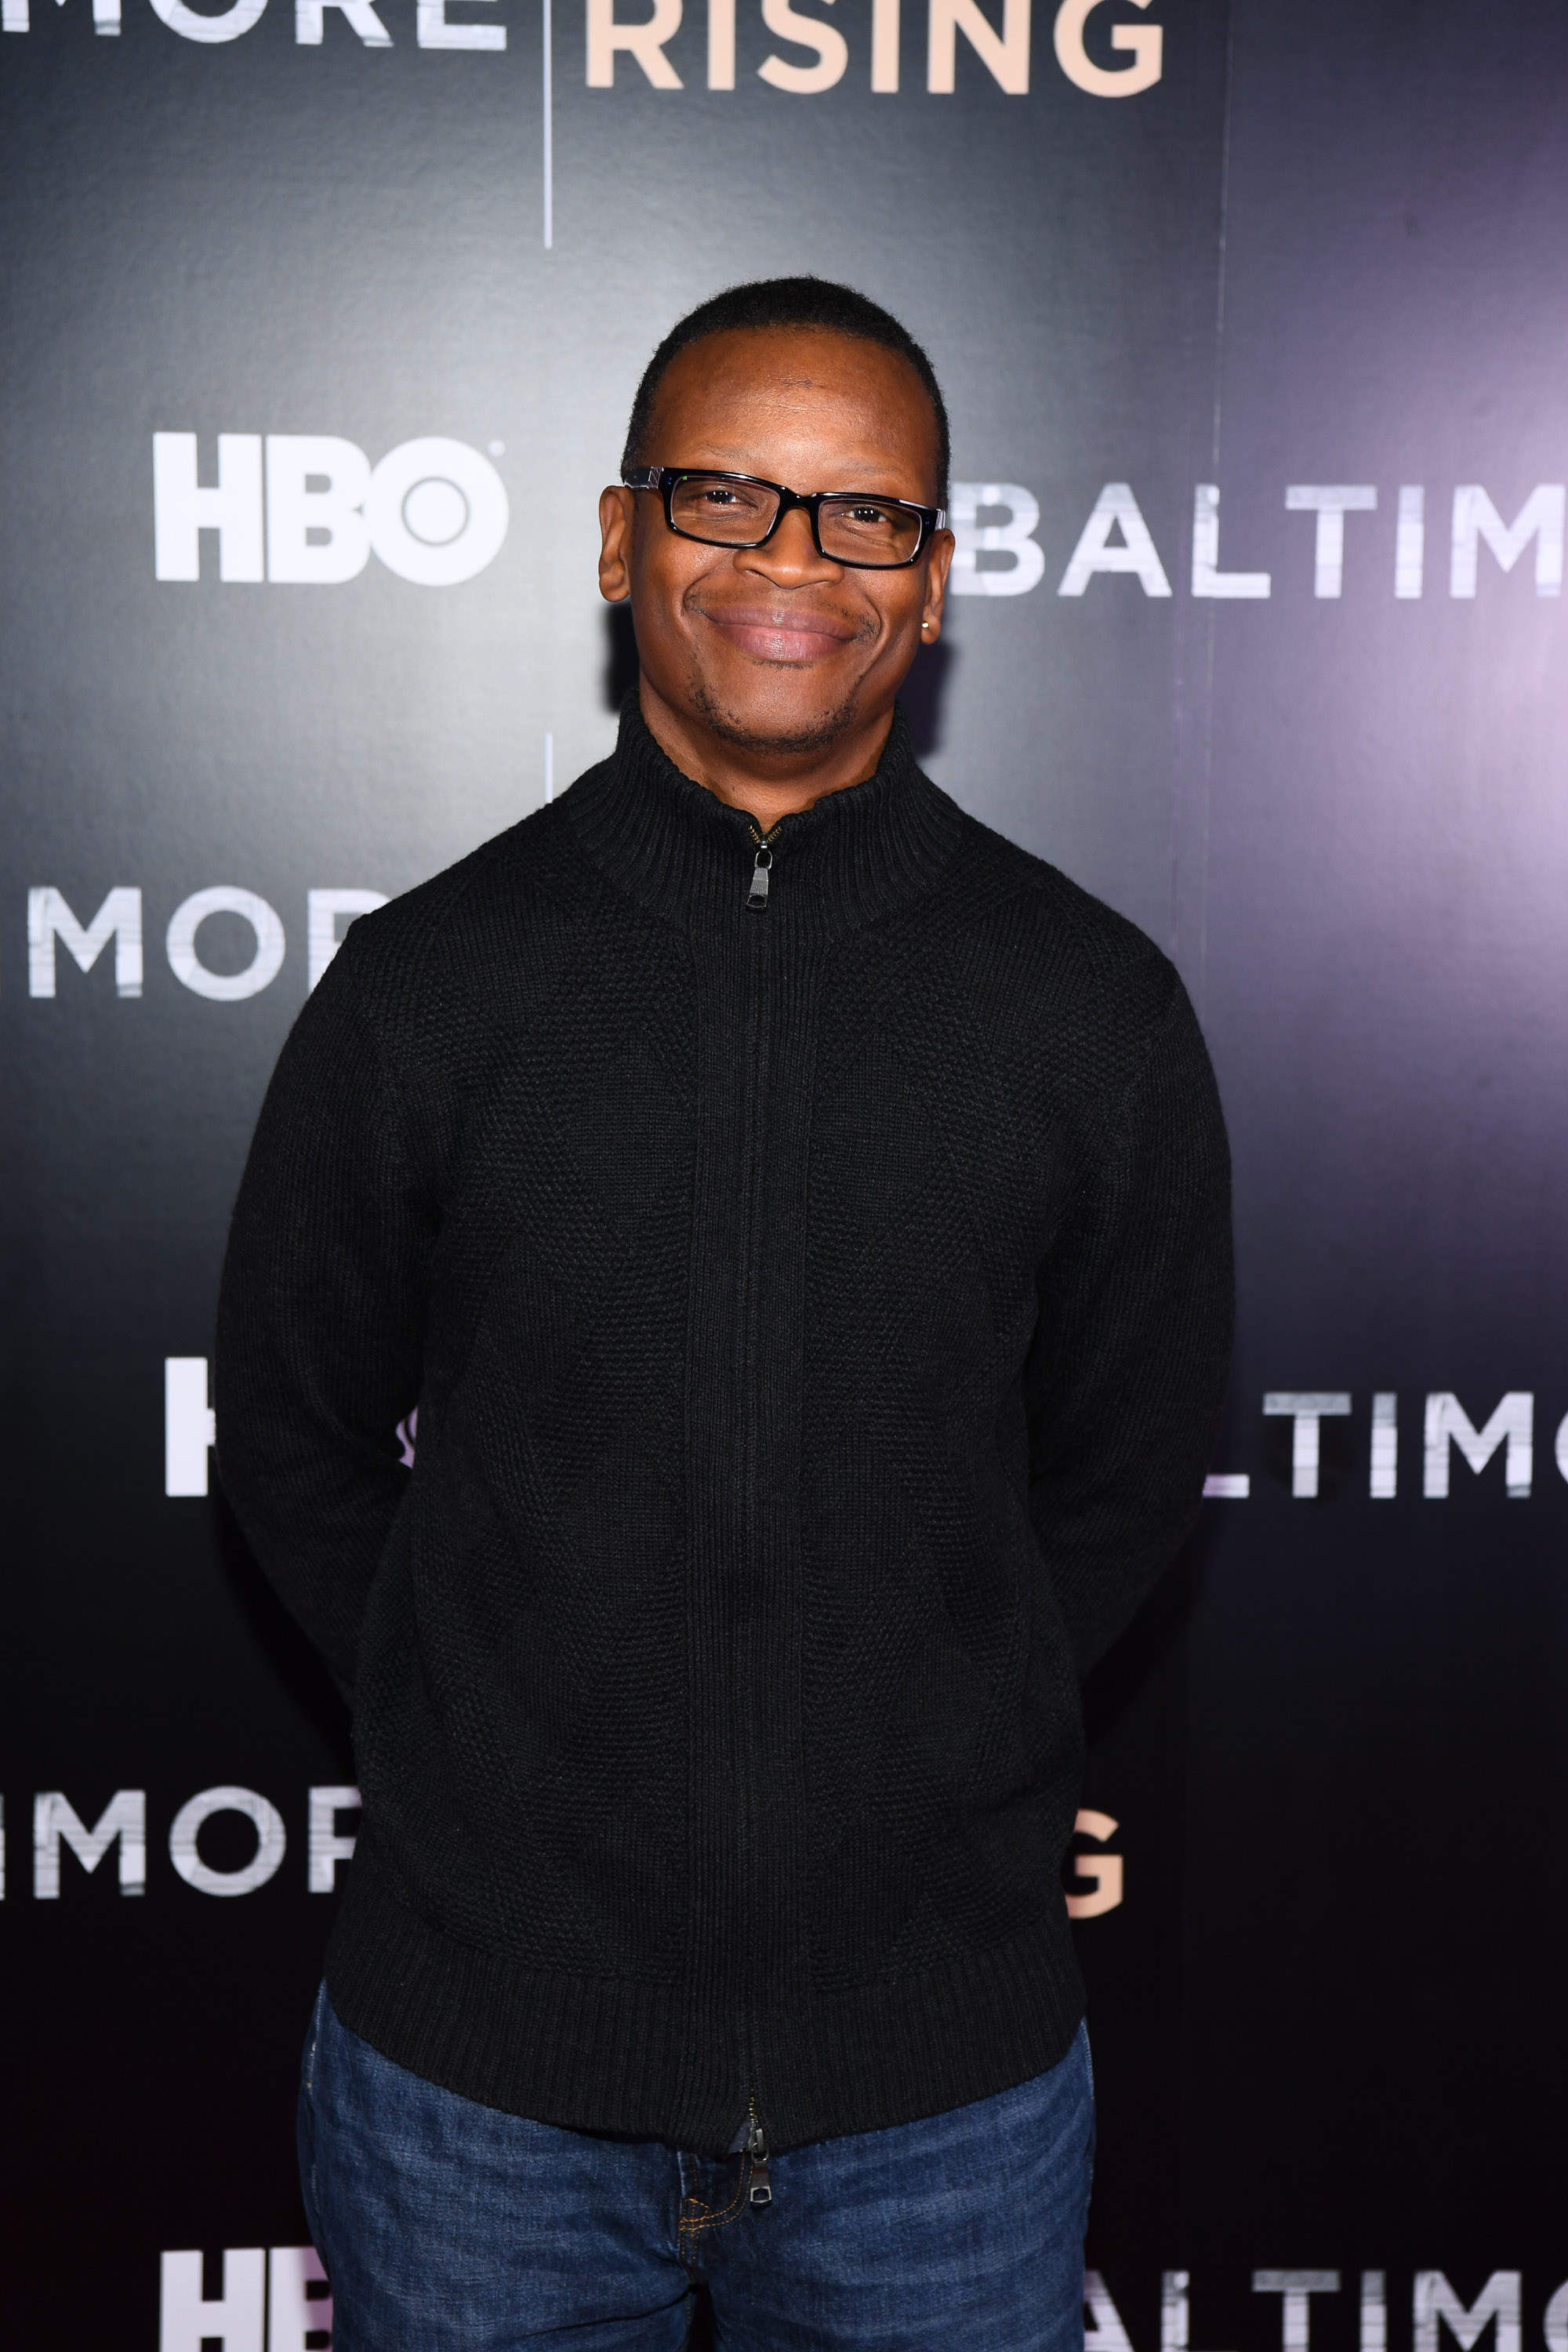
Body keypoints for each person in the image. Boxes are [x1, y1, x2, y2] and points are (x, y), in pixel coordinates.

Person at [217, 275, 1232, 2350]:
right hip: (476, 2096)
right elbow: (293, 1436)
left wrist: (940, 1728)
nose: (795, 560)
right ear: (620, 541)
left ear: (933, 577)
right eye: (726, 497)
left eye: (866, 514)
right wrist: (481, 1713)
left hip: (941, 2105)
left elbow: (1125, 1473)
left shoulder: (1091, 1011)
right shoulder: (430, 989)